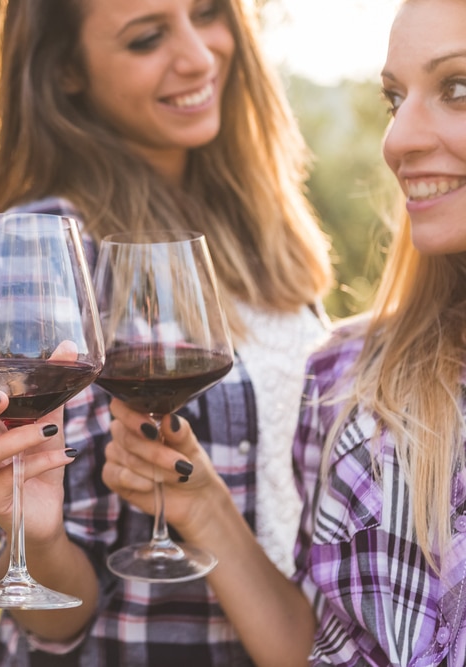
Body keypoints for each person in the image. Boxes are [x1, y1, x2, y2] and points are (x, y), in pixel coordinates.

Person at [0, 0, 334, 663]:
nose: (199, 56)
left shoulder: (263, 236)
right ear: (67, 70)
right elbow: (57, 620)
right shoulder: (48, 248)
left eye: (207, 13)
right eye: (147, 38)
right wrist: (27, 536)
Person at [104, 0, 466, 664]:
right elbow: (312, 647)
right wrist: (205, 507)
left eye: (459, 89)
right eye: (393, 98)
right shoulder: (353, 382)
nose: (398, 140)